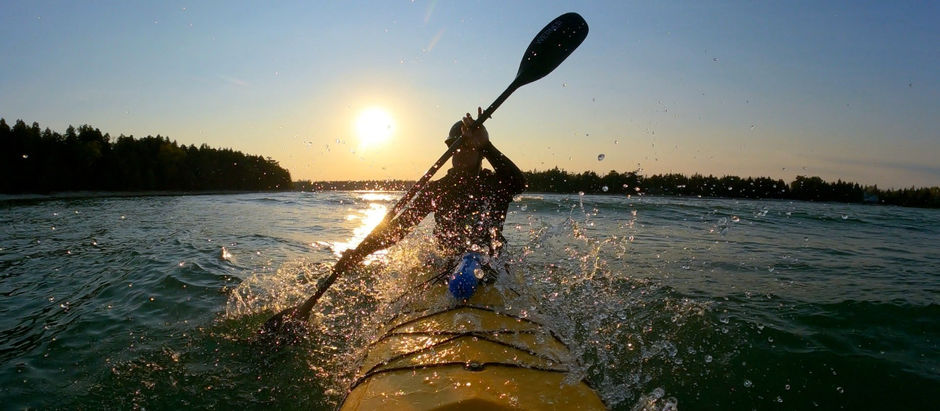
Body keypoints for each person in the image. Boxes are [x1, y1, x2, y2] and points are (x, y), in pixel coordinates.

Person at [336, 108, 526, 275]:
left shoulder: (495, 184)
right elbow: (399, 227)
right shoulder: (438, 189)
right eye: (456, 147)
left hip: (490, 267)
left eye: (468, 146)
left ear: (480, 151)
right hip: (448, 267)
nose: (461, 152)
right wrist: (360, 253)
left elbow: (519, 184)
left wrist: (487, 146)